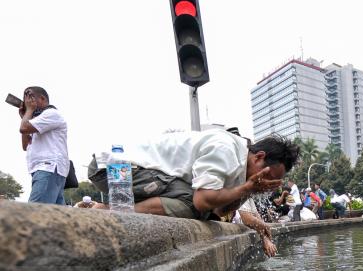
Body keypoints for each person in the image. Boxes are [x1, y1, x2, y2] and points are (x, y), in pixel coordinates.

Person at [88, 131, 299, 220]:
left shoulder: (240, 171)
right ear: (258, 157)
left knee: (202, 213)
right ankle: (108, 212)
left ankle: (111, 209)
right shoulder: (225, 149)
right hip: (113, 168)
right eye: (268, 175)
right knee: (190, 202)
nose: (267, 182)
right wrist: (246, 188)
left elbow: (218, 210)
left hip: (132, 174)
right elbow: (201, 201)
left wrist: (247, 192)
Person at [18, 86, 69, 205]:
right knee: (55, 218)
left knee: (34, 214)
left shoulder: (51, 114)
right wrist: (25, 116)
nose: (27, 101)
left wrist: (28, 111)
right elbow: (25, 145)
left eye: (30, 97)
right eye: (25, 98)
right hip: (45, 170)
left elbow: (23, 128)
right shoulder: (38, 120)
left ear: (41, 98)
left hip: (48, 168)